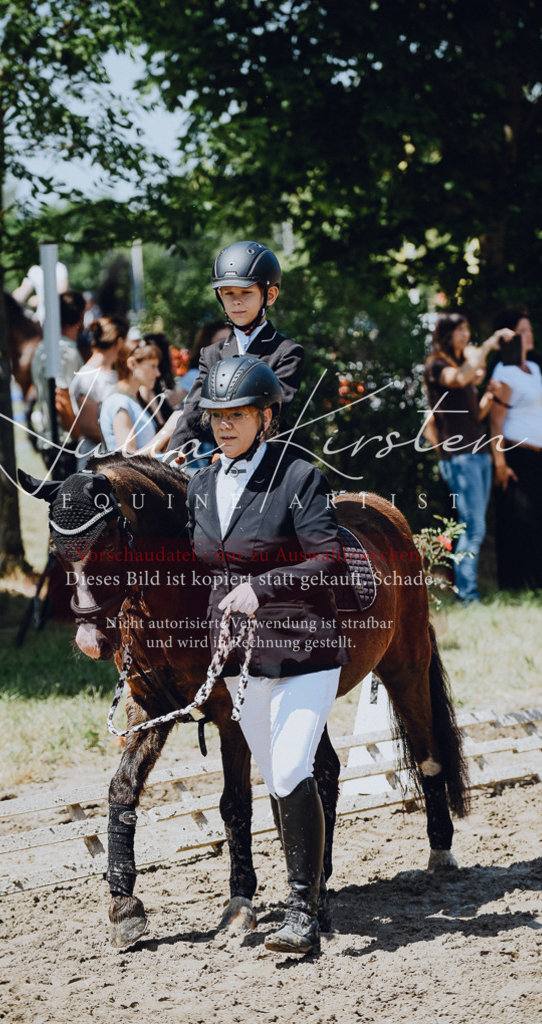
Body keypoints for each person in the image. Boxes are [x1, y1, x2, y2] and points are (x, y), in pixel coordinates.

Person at [187, 355, 349, 955]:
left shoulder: (298, 477)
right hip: (240, 663)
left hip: (305, 651)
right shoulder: (202, 482)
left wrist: (262, 587)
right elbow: (206, 568)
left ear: (265, 416)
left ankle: (302, 908)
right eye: (215, 416)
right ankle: (316, 897)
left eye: (236, 415)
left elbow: (328, 558)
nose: (224, 425)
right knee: (279, 777)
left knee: (287, 771)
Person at [167, 241, 304, 459]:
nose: (236, 302)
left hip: (272, 463)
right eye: (228, 293)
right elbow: (192, 411)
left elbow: (271, 414)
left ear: (269, 295)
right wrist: (174, 455)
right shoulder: (211, 354)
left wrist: (230, 453)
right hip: (221, 459)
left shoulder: (286, 352)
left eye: (246, 292)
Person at [423, 312, 513, 604]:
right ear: (446, 335)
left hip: (479, 455)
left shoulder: (462, 373)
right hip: (461, 458)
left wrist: (489, 396)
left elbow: (477, 417)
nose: (464, 334)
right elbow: (460, 378)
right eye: (459, 330)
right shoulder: (437, 366)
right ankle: (468, 596)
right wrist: (488, 344)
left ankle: (467, 592)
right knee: (472, 527)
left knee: (476, 526)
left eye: (467, 329)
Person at [489, 306, 542, 590]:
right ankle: (523, 586)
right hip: (516, 455)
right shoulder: (504, 371)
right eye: (522, 331)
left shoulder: (534, 368)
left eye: (530, 330)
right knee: (523, 524)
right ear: (510, 337)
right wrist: (500, 464)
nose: (528, 335)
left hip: (541, 454)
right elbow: (495, 422)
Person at [30, 290, 86, 478]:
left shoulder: (42, 347)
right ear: (80, 316)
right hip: (66, 444)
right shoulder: (66, 351)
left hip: (50, 440)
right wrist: (81, 439)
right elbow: (61, 399)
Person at [69, 315, 122, 469]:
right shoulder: (88, 377)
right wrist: (123, 440)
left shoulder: (112, 374)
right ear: (119, 342)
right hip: (94, 461)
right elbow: (87, 426)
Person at [99, 337, 165, 452]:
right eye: (152, 366)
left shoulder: (133, 400)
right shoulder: (119, 402)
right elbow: (128, 459)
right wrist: (167, 432)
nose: (158, 373)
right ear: (132, 364)